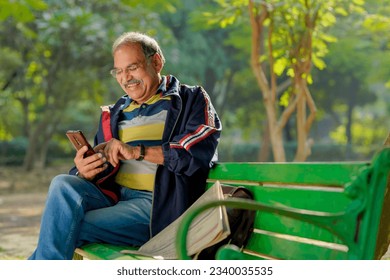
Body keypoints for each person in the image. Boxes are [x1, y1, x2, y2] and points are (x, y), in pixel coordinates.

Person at [29, 32, 222, 260]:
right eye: (118, 71)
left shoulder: (191, 98)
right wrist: (85, 170)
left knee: (66, 225)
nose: (125, 78)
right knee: (62, 183)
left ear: (156, 62)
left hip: (156, 205)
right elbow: (102, 166)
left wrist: (137, 151)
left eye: (132, 67)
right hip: (114, 197)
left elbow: (195, 154)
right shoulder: (115, 112)